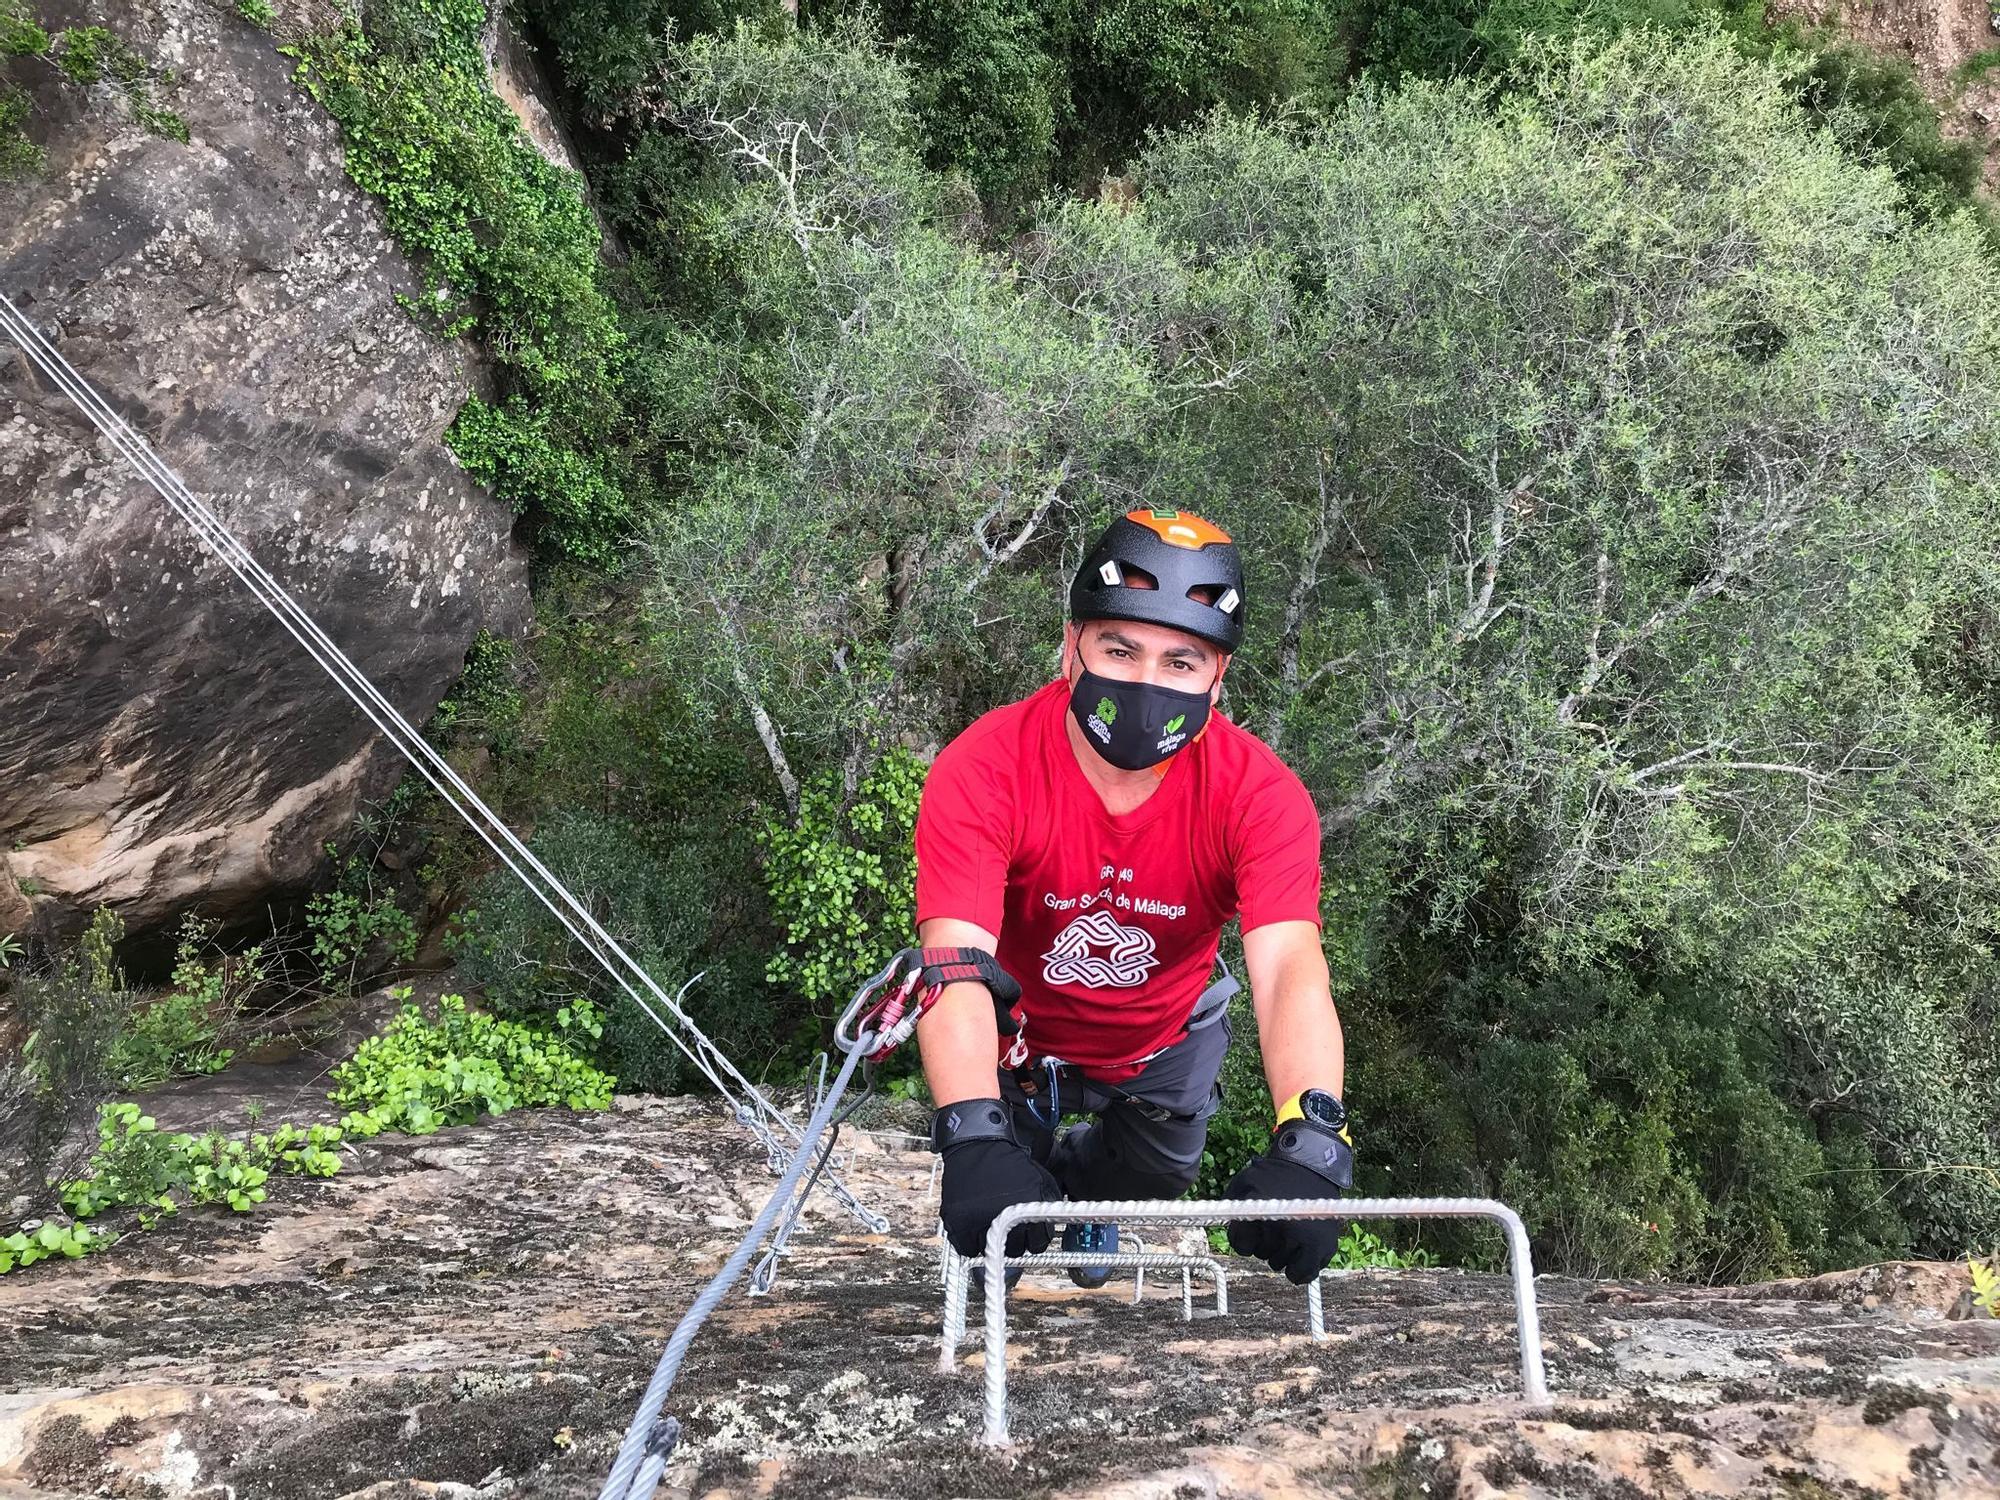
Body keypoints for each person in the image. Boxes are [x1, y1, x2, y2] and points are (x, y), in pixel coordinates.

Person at [912, 507, 1353, 1289]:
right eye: (1121, 648)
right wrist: (971, 1138)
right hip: (1014, 1039)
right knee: (1004, 1178)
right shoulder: (988, 766)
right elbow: (955, 958)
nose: (1146, 683)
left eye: (1180, 662)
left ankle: (1089, 1196)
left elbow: (1288, 965)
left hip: (1162, 1041)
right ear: (1071, 648)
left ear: (1218, 680)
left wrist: (1314, 1134)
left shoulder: (1260, 797)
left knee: (1157, 1174)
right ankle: (1028, 1182)